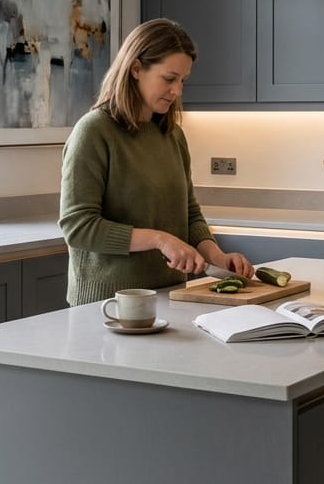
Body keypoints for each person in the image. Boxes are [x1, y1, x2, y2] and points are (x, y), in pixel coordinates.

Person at [59, 18, 253, 306]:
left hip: (170, 296)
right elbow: (78, 227)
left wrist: (218, 257)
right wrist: (159, 239)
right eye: (169, 78)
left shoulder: (173, 135)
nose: (177, 91)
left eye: (183, 81)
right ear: (136, 69)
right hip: (109, 305)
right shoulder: (94, 132)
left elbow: (189, 214)